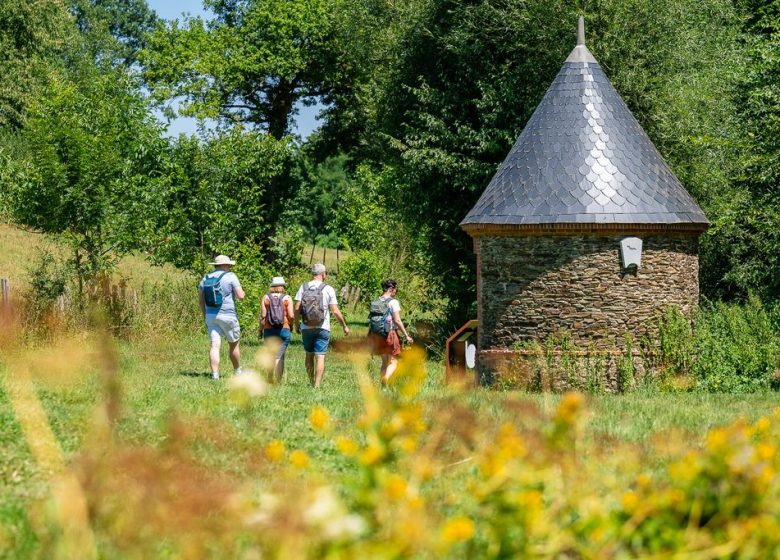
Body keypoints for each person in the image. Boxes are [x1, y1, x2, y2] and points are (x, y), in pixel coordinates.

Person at [294, 263, 350, 388]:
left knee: (309, 355)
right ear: (323, 274)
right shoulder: (328, 289)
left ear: (313, 274)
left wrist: (296, 324)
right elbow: (335, 311)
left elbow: (297, 308)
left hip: (306, 326)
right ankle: (317, 385)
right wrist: (344, 325)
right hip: (322, 327)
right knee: (320, 357)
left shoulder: (303, 287)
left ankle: (311, 381)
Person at [198, 255, 245, 380]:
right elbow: (241, 296)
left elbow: (201, 301)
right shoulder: (231, 276)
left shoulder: (206, 278)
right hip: (228, 315)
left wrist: (205, 316)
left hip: (210, 316)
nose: (230, 267)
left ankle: (215, 375)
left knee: (214, 345)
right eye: (229, 265)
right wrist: (243, 292)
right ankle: (238, 371)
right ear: (225, 265)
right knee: (234, 344)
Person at [368, 278, 413, 386]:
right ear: (391, 289)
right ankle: (385, 379)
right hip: (390, 334)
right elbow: (397, 320)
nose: (396, 292)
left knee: (384, 361)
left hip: (377, 335)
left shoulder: (376, 301)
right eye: (396, 289)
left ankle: (382, 387)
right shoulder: (393, 302)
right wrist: (406, 335)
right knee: (393, 361)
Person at [260, 276, 295, 383]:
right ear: (283, 287)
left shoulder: (265, 297)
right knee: (279, 356)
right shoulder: (287, 298)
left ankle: (270, 378)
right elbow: (291, 315)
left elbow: (263, 315)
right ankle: (278, 382)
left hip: (268, 330)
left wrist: (260, 330)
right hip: (284, 329)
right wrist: (291, 325)